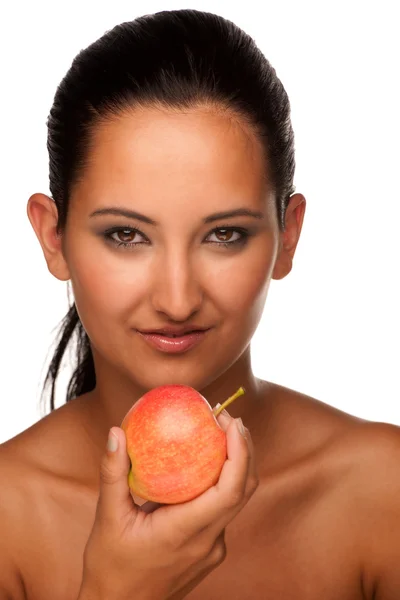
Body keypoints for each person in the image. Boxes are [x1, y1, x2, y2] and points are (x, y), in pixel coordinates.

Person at [1, 8, 399, 600]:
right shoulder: (9, 516)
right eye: (126, 235)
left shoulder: (381, 491)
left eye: (225, 234)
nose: (178, 299)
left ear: (287, 237)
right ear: (51, 238)